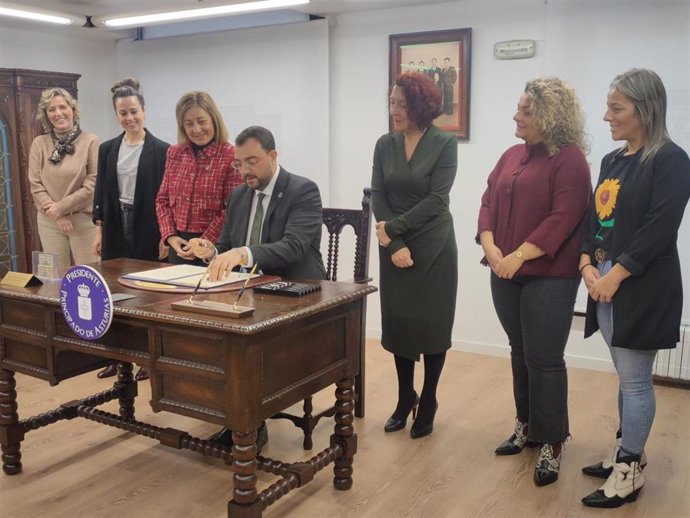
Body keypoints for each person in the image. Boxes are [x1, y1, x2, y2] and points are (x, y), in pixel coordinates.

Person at [579, 69, 690, 508]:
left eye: (616, 108)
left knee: (637, 382)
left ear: (645, 110)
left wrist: (614, 275)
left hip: (640, 288)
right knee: (626, 381)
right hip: (603, 284)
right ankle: (628, 453)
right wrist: (587, 263)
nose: (607, 116)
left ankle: (628, 472)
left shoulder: (671, 160)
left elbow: (658, 229)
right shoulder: (613, 160)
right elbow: (594, 220)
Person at [477, 77, 591, 486]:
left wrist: (516, 256)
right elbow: (488, 200)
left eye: (527, 110)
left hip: (549, 277)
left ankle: (552, 442)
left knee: (544, 359)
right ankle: (525, 426)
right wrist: (491, 249)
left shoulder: (571, 160)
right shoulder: (511, 154)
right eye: (519, 108)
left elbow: (563, 218)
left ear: (550, 115)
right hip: (503, 271)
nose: (517, 116)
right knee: (519, 351)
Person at [190, 125, 326, 450]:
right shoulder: (239, 196)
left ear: (273, 155)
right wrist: (212, 251)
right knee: (212, 333)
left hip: (295, 291)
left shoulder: (303, 190)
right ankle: (236, 418)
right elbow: (227, 245)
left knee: (245, 344)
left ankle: (248, 424)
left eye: (252, 162)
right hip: (249, 292)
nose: (245, 171)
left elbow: (293, 246)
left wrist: (244, 253)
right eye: (239, 164)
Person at [371, 71, 457, 441]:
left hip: (433, 243)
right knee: (399, 322)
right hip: (394, 244)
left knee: (432, 324)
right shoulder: (384, 144)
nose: (394, 110)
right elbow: (378, 194)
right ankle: (406, 397)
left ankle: (430, 399)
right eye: (391, 103)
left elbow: (437, 199)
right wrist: (393, 241)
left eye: (402, 104)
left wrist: (394, 230)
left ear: (421, 106)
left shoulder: (444, 143)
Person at [91, 78, 170, 381]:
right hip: (114, 224)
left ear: (144, 111)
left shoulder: (162, 150)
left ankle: (147, 359)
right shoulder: (108, 148)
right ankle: (114, 355)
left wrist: (165, 234)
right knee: (113, 291)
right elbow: (100, 191)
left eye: (134, 111)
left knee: (145, 293)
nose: (130, 118)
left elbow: (166, 197)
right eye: (123, 113)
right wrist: (99, 230)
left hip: (147, 226)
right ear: (117, 115)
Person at [155, 91, 241, 266]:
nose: (196, 129)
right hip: (178, 247)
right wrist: (170, 236)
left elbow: (232, 209)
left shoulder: (231, 155)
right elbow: (162, 200)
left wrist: (203, 243)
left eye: (201, 121)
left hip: (215, 248)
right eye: (189, 124)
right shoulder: (174, 153)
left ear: (213, 119)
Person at [28, 87, 99, 269]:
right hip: (49, 221)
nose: (58, 113)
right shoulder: (39, 143)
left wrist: (61, 208)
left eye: (62, 107)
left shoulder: (91, 142)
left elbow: (92, 184)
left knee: (89, 274)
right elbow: (35, 184)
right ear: (46, 115)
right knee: (54, 278)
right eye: (51, 109)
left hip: (83, 220)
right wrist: (57, 215)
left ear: (72, 110)